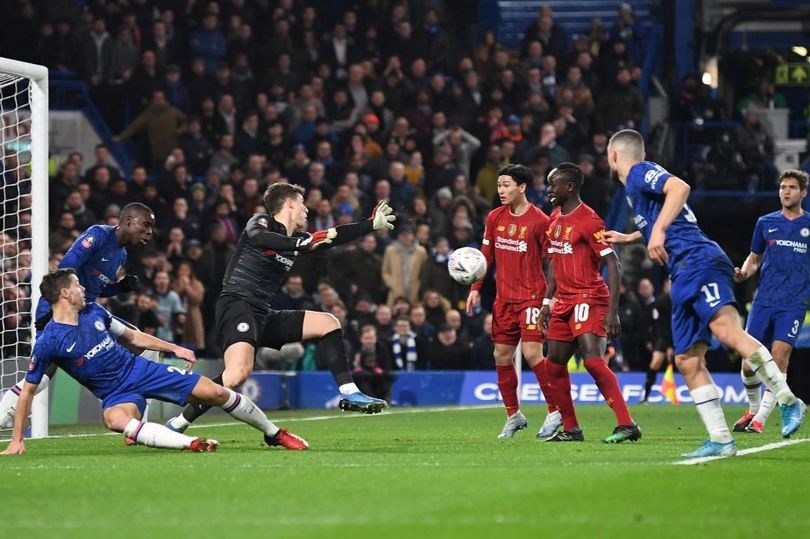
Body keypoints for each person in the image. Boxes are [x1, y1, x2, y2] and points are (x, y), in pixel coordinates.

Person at [604, 129, 805, 458]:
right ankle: (721, 440)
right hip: (681, 271)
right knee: (686, 360)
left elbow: (680, 188)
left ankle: (787, 399)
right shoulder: (633, 191)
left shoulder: (640, 171)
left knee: (726, 331)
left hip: (699, 261)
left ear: (614, 155)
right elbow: (667, 220)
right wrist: (628, 238)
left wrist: (658, 230)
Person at [166, 183, 396, 433]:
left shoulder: (296, 240)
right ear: (289, 204)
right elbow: (258, 237)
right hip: (237, 304)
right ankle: (178, 421)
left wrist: (370, 225)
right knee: (235, 376)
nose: (307, 210)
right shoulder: (261, 222)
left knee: (329, 322)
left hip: (263, 312)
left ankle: (350, 392)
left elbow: (332, 237)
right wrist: (299, 245)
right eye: (303, 204)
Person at [1, 269, 307, 455]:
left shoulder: (94, 312)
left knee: (215, 393)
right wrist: (17, 440)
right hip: (115, 394)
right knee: (113, 420)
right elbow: (27, 392)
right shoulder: (49, 341)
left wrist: (175, 348)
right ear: (65, 294)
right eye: (78, 286)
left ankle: (275, 434)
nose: (83, 290)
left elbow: (133, 338)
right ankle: (190, 444)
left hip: (141, 370)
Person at [0, 203, 154, 429]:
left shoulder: (121, 255)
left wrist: (119, 288)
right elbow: (65, 272)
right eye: (146, 225)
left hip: (86, 312)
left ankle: (138, 425)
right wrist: (57, 311)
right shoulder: (97, 236)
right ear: (129, 221)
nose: (150, 233)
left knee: (145, 347)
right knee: (42, 373)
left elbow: (95, 289)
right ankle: (4, 416)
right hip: (60, 310)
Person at [538, 163, 640, 443]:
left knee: (593, 361)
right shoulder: (555, 219)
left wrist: (612, 311)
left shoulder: (590, 220)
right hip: (563, 301)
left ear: (569, 187)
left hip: (590, 297)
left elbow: (613, 262)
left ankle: (627, 423)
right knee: (553, 365)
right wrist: (547, 301)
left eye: (553, 184)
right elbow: (555, 263)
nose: (549, 190)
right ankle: (571, 429)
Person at [465, 164, 559, 439]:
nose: (501, 190)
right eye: (499, 185)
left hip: (531, 298)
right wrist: (475, 289)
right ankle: (513, 415)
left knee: (532, 354)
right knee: (501, 356)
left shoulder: (540, 221)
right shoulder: (494, 217)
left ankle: (554, 411)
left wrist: (549, 299)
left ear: (522, 187)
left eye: (506, 185)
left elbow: (552, 261)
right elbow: (486, 255)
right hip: (503, 300)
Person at [732, 169, 810, 433]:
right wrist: (744, 272)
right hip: (763, 301)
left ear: (803, 192)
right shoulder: (765, 222)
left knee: (779, 357)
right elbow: (754, 259)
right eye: (782, 187)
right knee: (748, 362)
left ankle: (760, 420)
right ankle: (752, 409)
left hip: (794, 303)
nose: (786, 192)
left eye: (791, 187)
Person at [641, 279, 674, 403]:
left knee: (688, 365)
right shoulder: (660, 302)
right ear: (665, 286)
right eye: (668, 284)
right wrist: (652, 340)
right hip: (664, 339)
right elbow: (657, 324)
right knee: (654, 364)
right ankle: (645, 397)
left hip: (679, 338)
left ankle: (698, 395)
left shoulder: (681, 301)